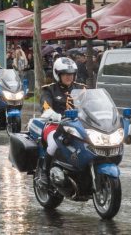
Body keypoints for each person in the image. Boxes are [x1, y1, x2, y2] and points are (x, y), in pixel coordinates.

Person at [39, 57, 86, 186]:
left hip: (77, 126)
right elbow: (45, 106)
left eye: (71, 74)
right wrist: (53, 114)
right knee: (54, 143)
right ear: (58, 74)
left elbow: (92, 104)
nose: (69, 77)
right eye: (65, 74)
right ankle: (44, 171)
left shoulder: (81, 89)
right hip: (55, 125)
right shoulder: (49, 90)